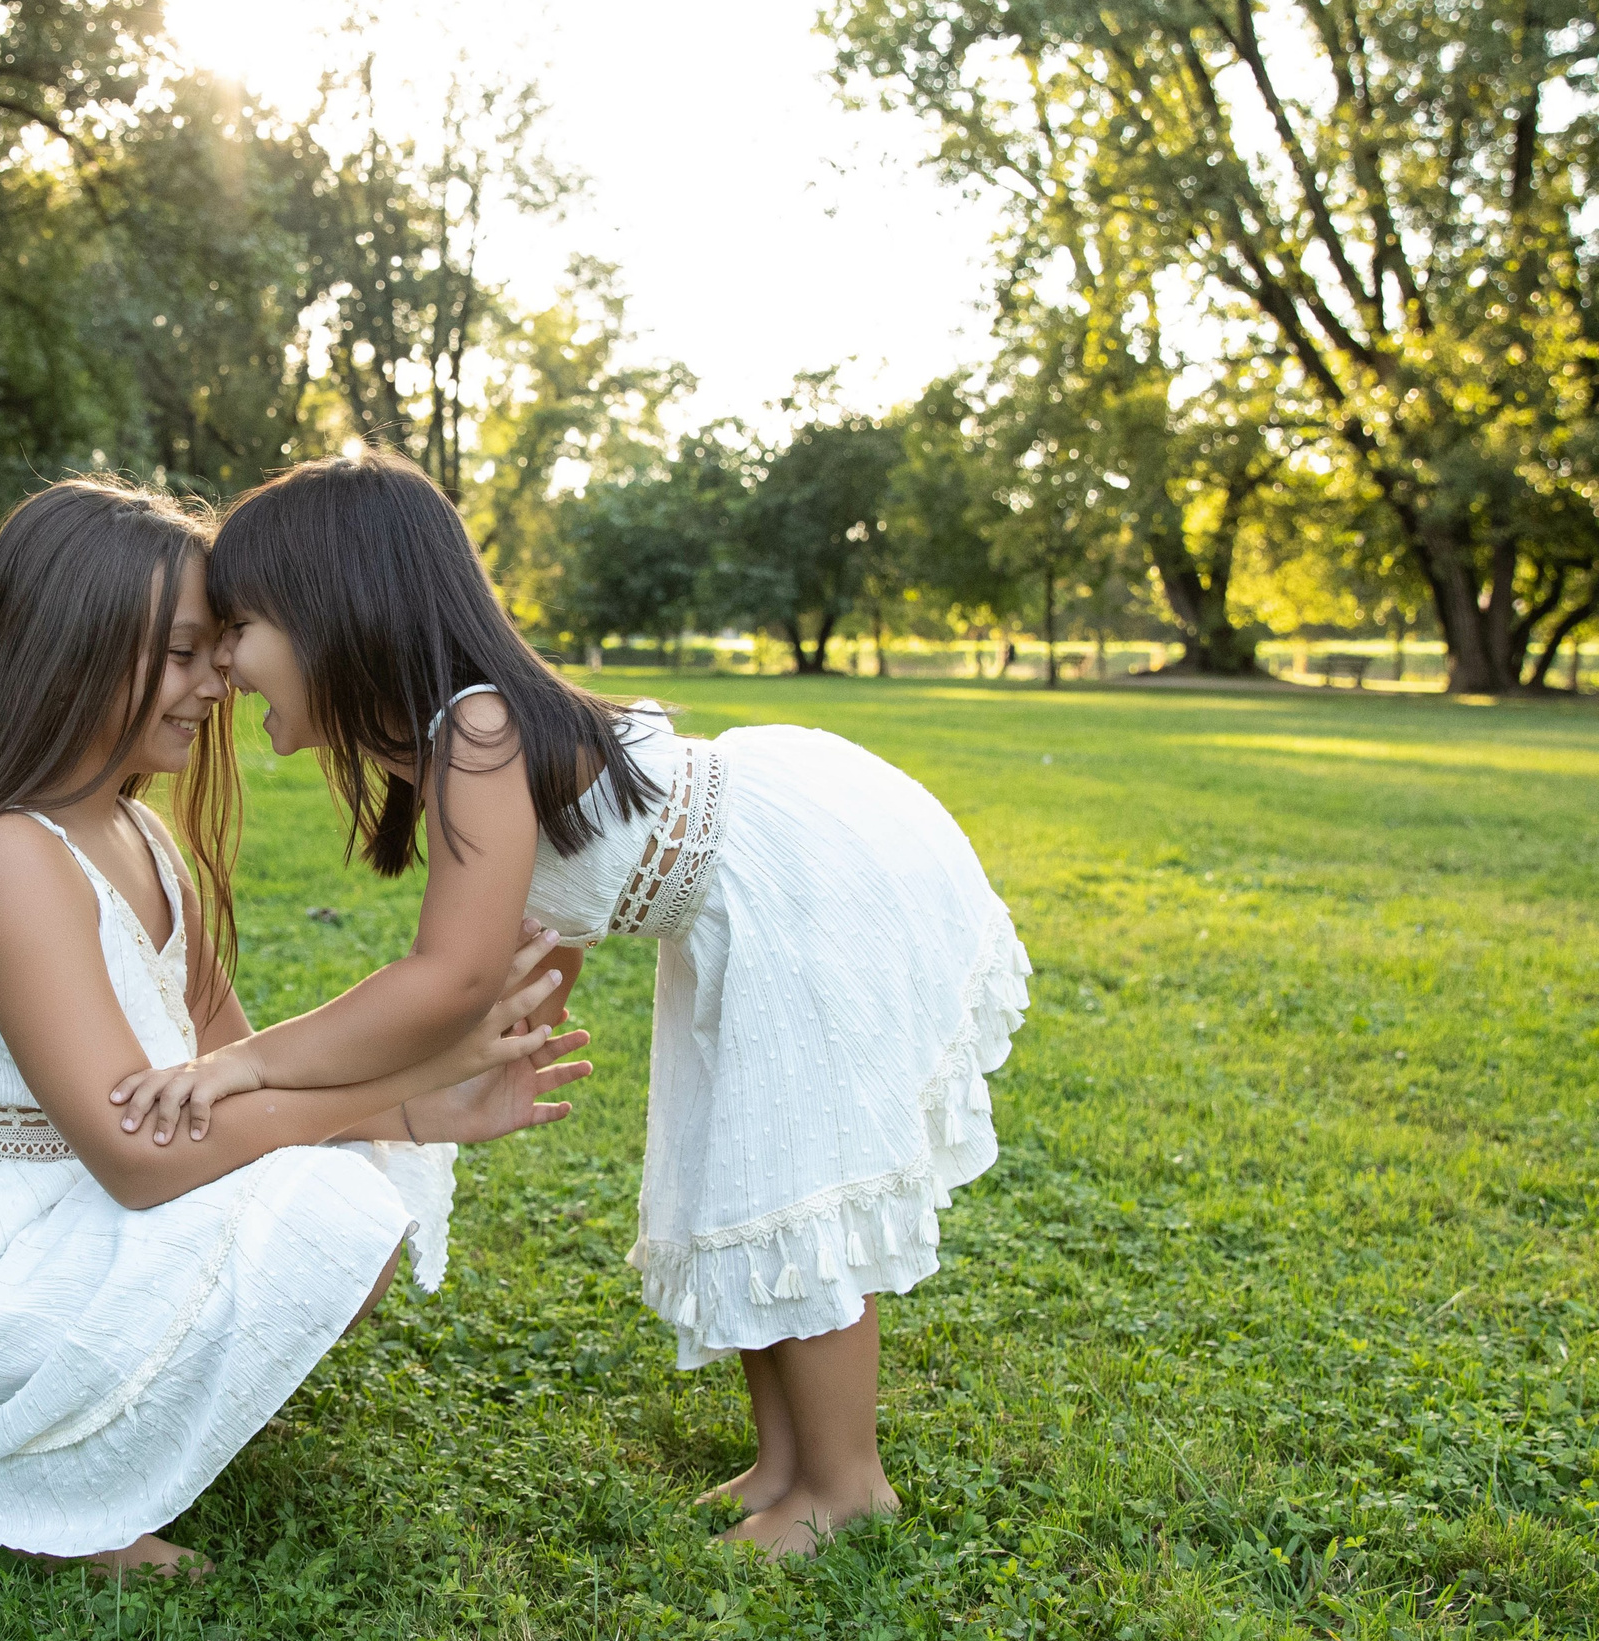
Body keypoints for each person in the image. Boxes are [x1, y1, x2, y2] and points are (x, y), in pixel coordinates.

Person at [110, 450, 1030, 1555]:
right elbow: (545, 924)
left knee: (795, 1174)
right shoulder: (454, 742)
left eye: (240, 627)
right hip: (740, 912)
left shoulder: (479, 731)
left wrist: (248, 1064)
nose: (223, 661)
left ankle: (844, 1484)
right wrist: (498, 1038)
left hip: (818, 884)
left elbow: (443, 978)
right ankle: (784, 1465)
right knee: (731, 1170)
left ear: (331, 613)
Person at [0, 477, 591, 1579]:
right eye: (188, 653)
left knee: (354, 1188)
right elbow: (145, 1163)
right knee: (334, 1196)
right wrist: (407, 1099)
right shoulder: (7, 856)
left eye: (226, 647)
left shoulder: (144, 839)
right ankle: (60, 1492)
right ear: (73, 648)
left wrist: (415, 1080)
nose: (223, 681)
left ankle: (139, 1404)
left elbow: (235, 1080)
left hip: (86, 1207)